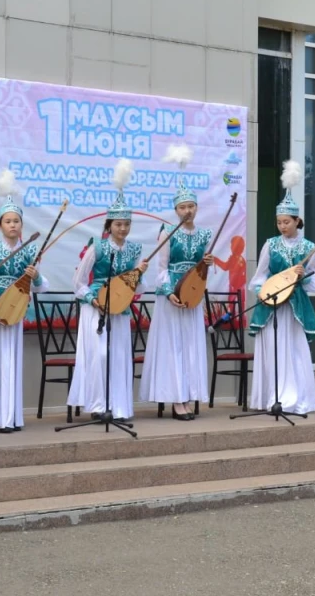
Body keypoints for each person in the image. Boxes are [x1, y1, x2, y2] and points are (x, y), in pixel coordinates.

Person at [69, 159, 148, 422]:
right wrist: (94, 300)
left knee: (118, 357)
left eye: (126, 224)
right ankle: (97, 405)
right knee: (100, 356)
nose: (122, 228)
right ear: (109, 225)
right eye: (118, 224)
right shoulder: (97, 248)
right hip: (97, 310)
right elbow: (78, 282)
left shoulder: (136, 251)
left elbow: (141, 289)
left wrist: (139, 276)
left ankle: (119, 406)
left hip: (120, 309)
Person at [247, 161, 315, 415]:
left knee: (293, 350)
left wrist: (303, 275)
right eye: (279, 222)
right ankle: (273, 397)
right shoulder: (270, 244)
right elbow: (259, 277)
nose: (282, 226)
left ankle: (295, 398)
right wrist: (263, 292)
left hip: (294, 306)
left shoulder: (308, 247)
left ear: (297, 220)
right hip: (273, 306)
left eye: (286, 222)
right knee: (274, 349)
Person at [0, 170, 46, 433]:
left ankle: (12, 417)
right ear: (0, 225)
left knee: (12, 362)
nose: (13, 225)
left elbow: (40, 287)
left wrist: (35, 276)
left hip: (15, 311)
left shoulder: (29, 251)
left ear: (22, 225)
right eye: (8, 221)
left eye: (16, 221)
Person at [141, 166, 212, 420]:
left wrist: (207, 264)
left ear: (196, 208)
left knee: (191, 345)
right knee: (174, 348)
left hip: (192, 295)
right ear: (175, 210)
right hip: (171, 296)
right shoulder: (167, 232)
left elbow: (202, 272)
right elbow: (161, 269)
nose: (187, 211)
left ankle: (187, 395)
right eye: (182, 207)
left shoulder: (205, 234)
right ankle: (176, 400)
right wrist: (170, 292)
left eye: (191, 206)